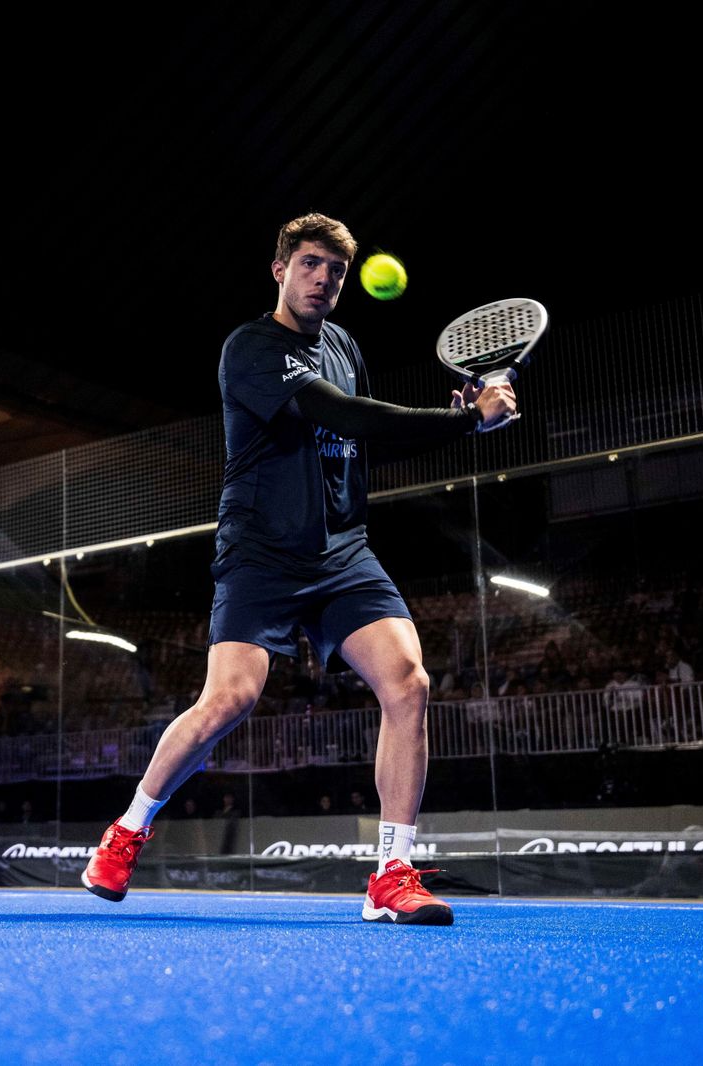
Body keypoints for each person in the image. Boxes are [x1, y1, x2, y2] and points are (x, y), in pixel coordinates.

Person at [81, 213, 517, 925]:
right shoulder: (251, 347)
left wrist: (450, 418)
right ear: (280, 268)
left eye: (336, 271)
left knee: (409, 683)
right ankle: (128, 827)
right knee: (230, 701)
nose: (324, 279)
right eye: (311, 264)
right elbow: (341, 414)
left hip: (342, 550)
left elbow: (364, 439)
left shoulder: (344, 346)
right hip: (261, 550)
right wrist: (467, 423)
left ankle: (392, 873)